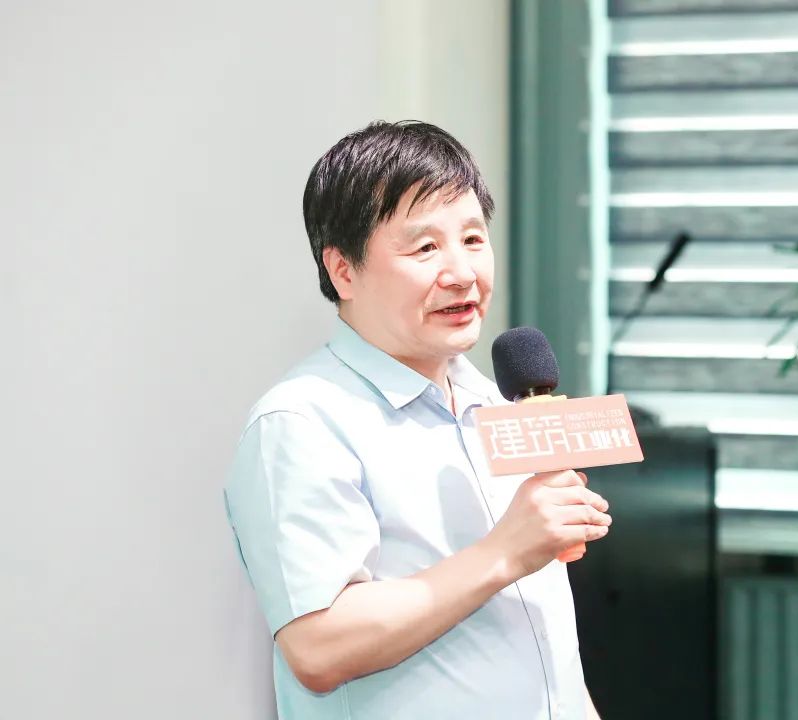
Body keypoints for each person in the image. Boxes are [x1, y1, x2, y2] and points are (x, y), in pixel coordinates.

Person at [223, 120, 611, 720]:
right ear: (343, 270)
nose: (462, 273)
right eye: (425, 248)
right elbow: (318, 647)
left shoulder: (494, 402)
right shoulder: (301, 423)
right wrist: (506, 551)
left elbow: (542, 641)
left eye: (473, 239)